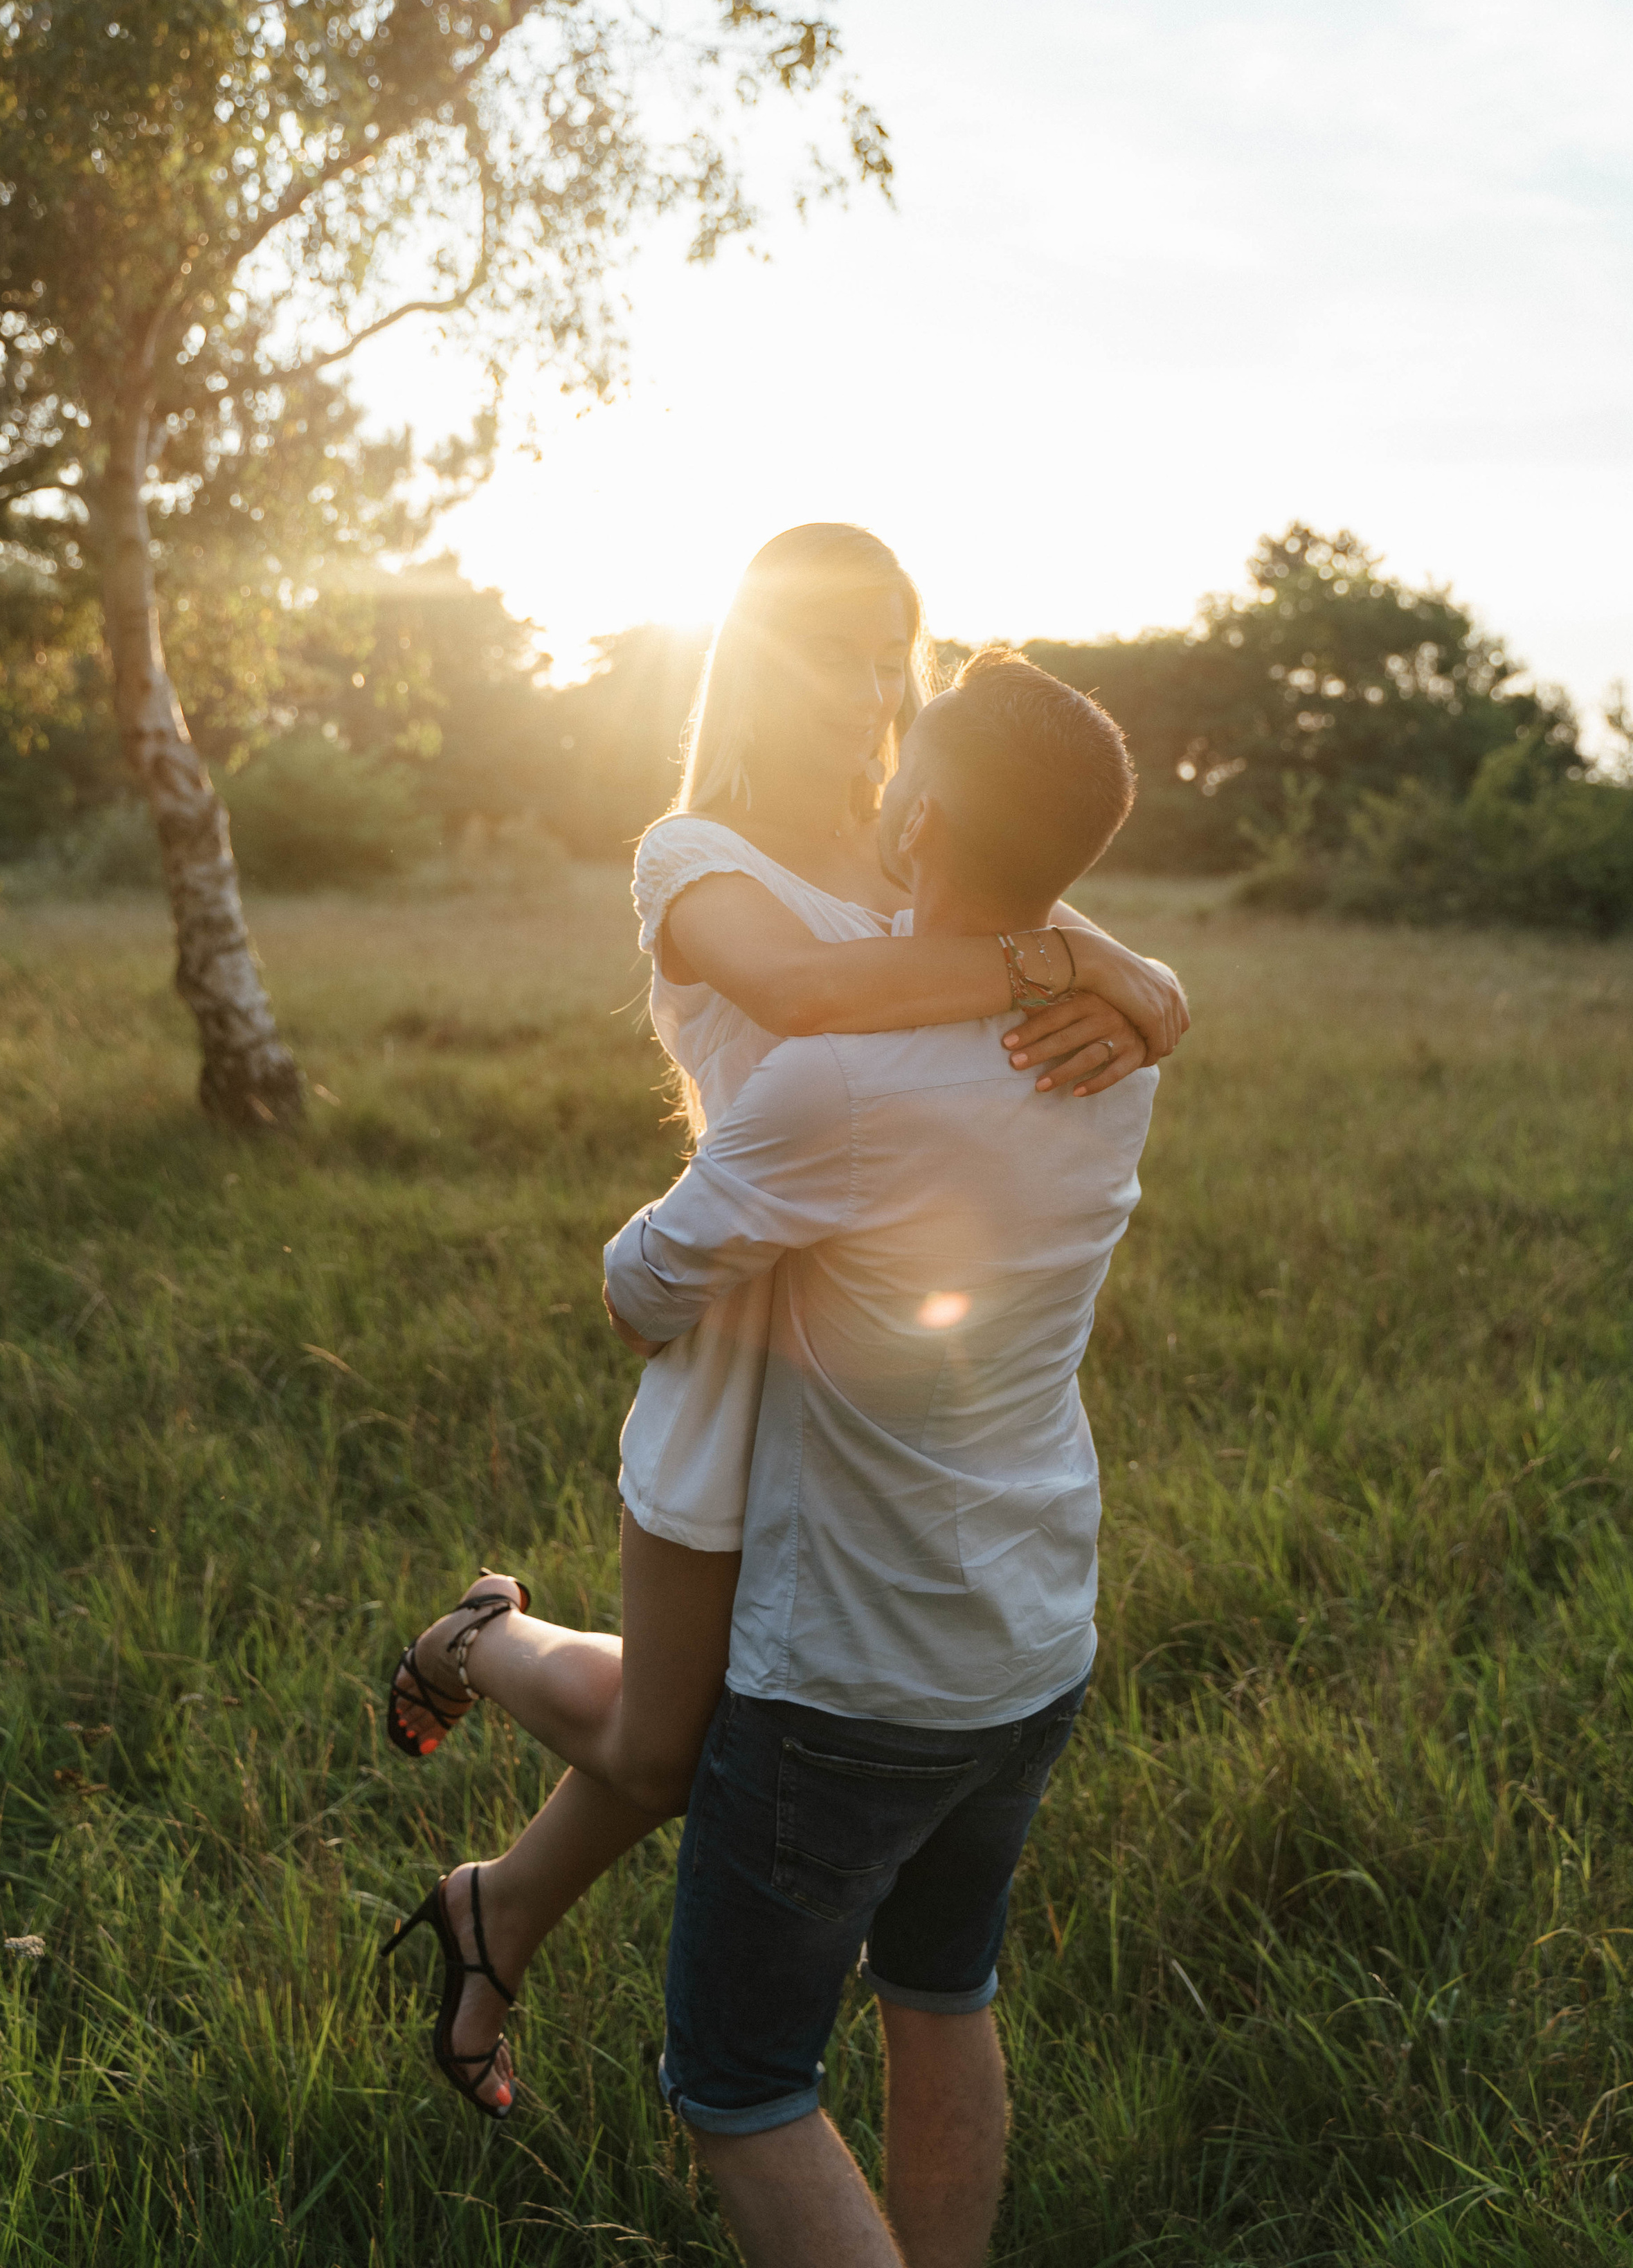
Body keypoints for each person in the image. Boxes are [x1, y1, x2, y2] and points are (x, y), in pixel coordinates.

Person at [381, 525, 1187, 2117]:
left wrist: (1150, 983)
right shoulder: (692, 855)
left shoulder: (909, 843)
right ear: (749, 654)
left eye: (890, 647)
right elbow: (813, 1001)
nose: (869, 682)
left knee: (726, 1756)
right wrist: (1070, 959)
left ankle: (491, 1914)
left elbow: (1065, 940)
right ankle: (481, 1639)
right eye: (829, 646)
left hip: (871, 1356)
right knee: (675, 1756)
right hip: (737, 1335)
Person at [600, 648, 1157, 2267]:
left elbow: (640, 1295)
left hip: (849, 1673)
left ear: (912, 813)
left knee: (741, 2084)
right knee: (940, 1998)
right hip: (1033, 1637)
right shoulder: (1108, 1051)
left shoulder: (828, 1083)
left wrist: (719, 1184)